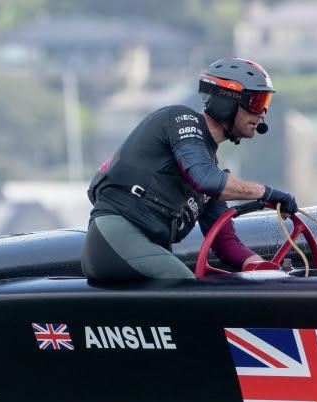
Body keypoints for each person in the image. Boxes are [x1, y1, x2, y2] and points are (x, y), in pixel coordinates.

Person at [81, 57, 298, 282]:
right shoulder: (180, 120)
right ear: (228, 100)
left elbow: (226, 244)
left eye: (265, 104)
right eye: (256, 102)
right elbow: (206, 180)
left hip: (141, 245)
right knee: (189, 293)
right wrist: (266, 193)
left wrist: (263, 268)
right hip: (115, 238)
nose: (261, 114)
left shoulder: (210, 170)